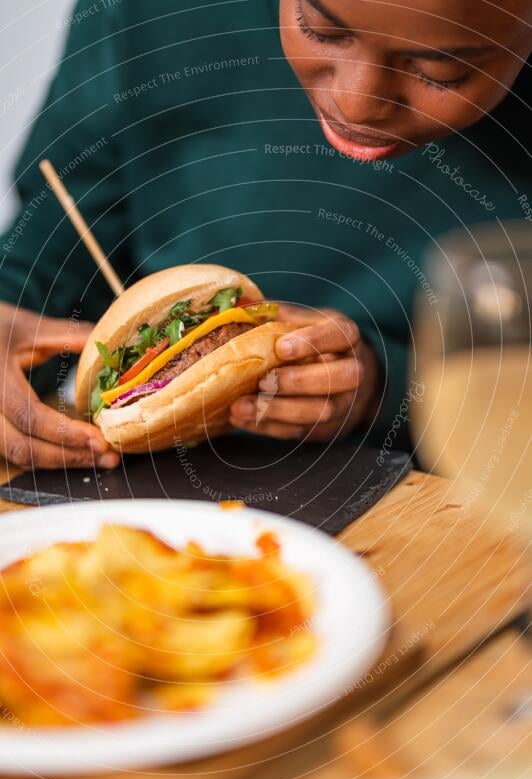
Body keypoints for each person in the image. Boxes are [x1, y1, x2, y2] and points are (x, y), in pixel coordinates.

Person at [1, 0, 531, 469]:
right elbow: (46, 262)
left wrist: (384, 389)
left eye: (441, 69)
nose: (356, 104)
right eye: (319, 27)